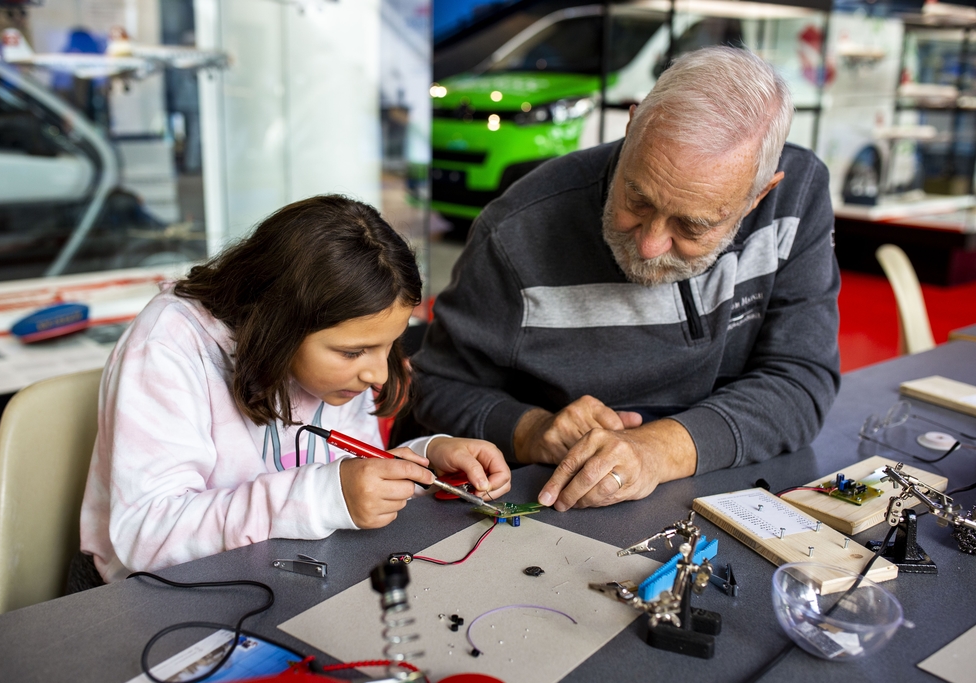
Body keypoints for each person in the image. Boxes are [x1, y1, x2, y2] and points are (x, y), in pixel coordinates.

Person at [411, 47, 840, 513]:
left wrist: (659, 449)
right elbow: (434, 387)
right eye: (636, 200)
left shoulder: (798, 195)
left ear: (760, 195)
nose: (651, 244)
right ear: (631, 125)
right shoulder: (516, 234)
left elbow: (800, 377)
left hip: (738, 495)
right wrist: (532, 429)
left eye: (692, 227)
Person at [77, 195, 511, 586]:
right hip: (147, 598)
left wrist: (427, 458)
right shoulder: (167, 345)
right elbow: (147, 538)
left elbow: (342, 478)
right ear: (278, 323)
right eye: (354, 351)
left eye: (388, 345)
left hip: (278, 572)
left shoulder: (337, 366)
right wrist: (327, 495)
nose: (378, 375)